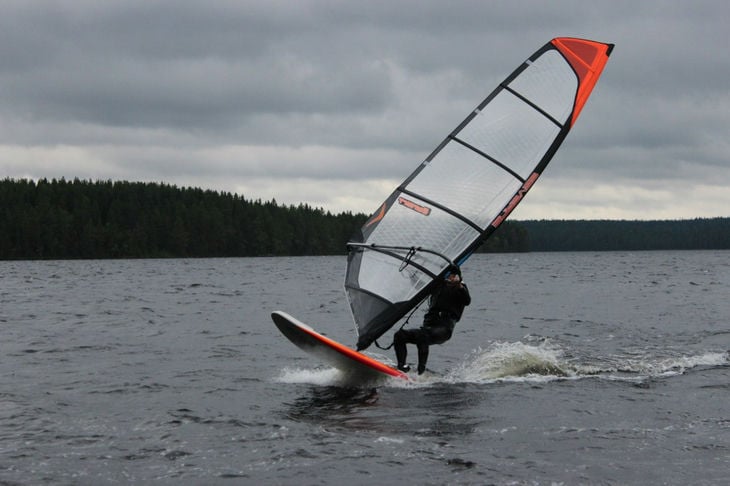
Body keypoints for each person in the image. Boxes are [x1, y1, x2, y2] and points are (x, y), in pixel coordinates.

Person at [394, 266, 471, 374]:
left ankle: (420, 373)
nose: (450, 278)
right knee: (399, 335)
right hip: (428, 327)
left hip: (444, 329)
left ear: (457, 277)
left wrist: (458, 285)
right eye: (448, 275)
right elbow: (421, 286)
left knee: (423, 336)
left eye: (453, 276)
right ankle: (402, 367)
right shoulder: (437, 285)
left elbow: (467, 300)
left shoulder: (460, 288)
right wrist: (411, 273)